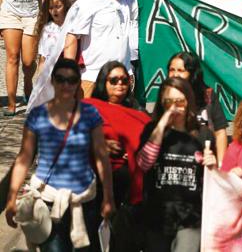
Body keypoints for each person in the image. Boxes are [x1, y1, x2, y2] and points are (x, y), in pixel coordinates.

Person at [4, 58, 114, 252]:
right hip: (48, 200)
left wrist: (108, 196)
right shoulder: (38, 115)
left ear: (78, 83)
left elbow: (101, 156)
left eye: (72, 80)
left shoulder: (90, 114)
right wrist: (11, 197)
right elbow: (24, 158)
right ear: (52, 81)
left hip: (85, 200)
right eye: (61, 79)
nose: (66, 85)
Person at [136, 77, 217, 252]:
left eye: (179, 101)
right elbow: (143, 164)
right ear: (161, 103)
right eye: (169, 102)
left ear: (188, 102)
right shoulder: (152, 130)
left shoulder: (202, 134)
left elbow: (211, 182)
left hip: (191, 217)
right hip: (158, 215)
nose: (174, 107)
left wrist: (212, 167)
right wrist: (162, 124)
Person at [86, 60, 150, 237]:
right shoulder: (89, 108)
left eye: (124, 80)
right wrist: (99, 145)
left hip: (127, 184)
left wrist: (136, 152)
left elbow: (150, 141)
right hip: (94, 181)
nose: (120, 84)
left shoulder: (138, 112)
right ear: (103, 83)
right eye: (114, 80)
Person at [62, 0, 133, 99]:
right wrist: (69, 74)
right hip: (92, 77)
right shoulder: (88, 3)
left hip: (122, 77)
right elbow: (72, 37)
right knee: (89, 113)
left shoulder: (126, 0)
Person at [0, 0, 50, 114]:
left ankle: (28, 83)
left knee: (28, 61)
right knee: (12, 57)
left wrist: (44, 16)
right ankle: (12, 103)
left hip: (32, 15)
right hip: (10, 15)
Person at [166, 52, 229, 164]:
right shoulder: (165, 96)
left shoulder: (208, 96)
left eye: (180, 70)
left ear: (192, 73)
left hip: (205, 162)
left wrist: (220, 166)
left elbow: (220, 133)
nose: (175, 74)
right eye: (172, 70)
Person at [35, 0, 70, 69]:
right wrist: (40, 75)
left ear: (65, 6)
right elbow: (43, 58)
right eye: (51, 8)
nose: (54, 11)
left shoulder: (72, 27)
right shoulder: (47, 28)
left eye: (58, 7)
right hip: (49, 71)